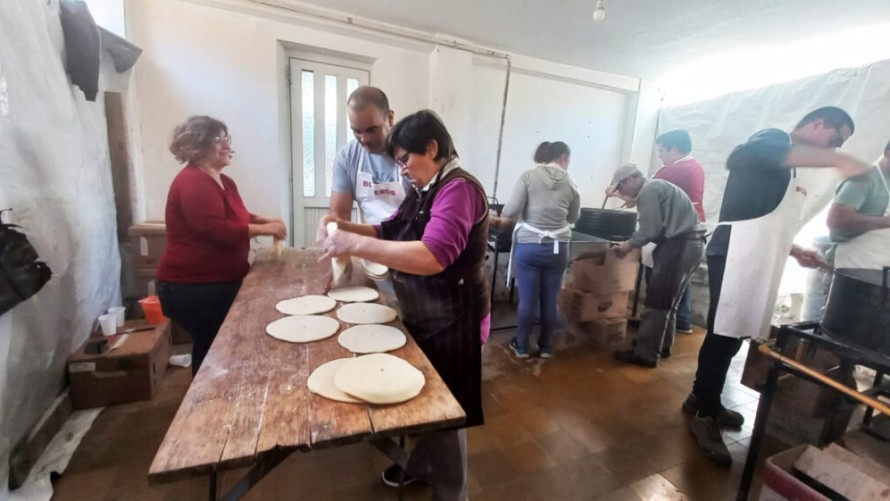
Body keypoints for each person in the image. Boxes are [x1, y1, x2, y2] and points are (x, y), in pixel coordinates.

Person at [685, 107, 868, 466]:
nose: (832, 150)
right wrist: (840, 161)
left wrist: (796, 250)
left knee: (735, 335)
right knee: (724, 334)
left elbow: (766, 218)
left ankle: (701, 398)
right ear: (817, 124)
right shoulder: (771, 140)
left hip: (756, 254)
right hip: (736, 250)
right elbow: (741, 156)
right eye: (834, 141)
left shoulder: (791, 167)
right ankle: (703, 414)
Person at [320, 110, 488, 500]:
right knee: (430, 399)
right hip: (428, 311)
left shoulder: (459, 190)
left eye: (405, 160)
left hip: (456, 318)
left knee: (448, 414)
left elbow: (433, 256)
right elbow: (389, 228)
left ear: (431, 148)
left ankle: (452, 494)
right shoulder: (426, 187)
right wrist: (343, 227)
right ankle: (424, 467)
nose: (402, 171)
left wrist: (354, 245)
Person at [157, 116, 286, 375]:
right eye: (219, 139)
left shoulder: (224, 181)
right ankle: (205, 403)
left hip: (216, 282)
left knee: (216, 344)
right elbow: (214, 229)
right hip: (193, 287)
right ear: (198, 145)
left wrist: (264, 220)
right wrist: (264, 229)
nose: (227, 145)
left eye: (227, 139)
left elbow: (238, 216)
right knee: (212, 346)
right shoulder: (193, 182)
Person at [607, 164, 704, 368]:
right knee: (670, 301)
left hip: (679, 246)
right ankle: (661, 345)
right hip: (692, 245)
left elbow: (650, 230)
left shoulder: (649, 190)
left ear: (631, 179)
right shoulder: (658, 186)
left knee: (657, 301)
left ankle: (646, 354)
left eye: (621, 187)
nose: (622, 192)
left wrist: (627, 245)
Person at [499, 141, 580, 359]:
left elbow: (510, 210)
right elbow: (573, 218)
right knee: (550, 299)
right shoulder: (571, 183)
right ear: (563, 157)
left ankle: (522, 346)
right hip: (558, 248)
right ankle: (545, 346)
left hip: (530, 246)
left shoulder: (528, 177)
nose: (568, 163)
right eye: (568, 159)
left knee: (527, 299)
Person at [645, 129, 706, 333]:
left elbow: (646, 188)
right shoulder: (695, 166)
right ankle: (681, 320)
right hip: (692, 230)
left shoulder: (676, 170)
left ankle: (655, 327)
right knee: (680, 279)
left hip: (679, 233)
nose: (660, 156)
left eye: (662, 150)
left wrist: (617, 191)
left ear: (675, 149)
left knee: (663, 282)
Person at [328, 86, 409, 224]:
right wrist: (329, 228)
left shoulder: (412, 153)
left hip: (407, 243)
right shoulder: (347, 157)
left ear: (390, 118)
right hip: (368, 242)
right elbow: (339, 217)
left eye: (372, 130)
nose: (364, 139)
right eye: (357, 131)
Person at [827, 137, 890, 269]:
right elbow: (836, 219)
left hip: (882, 270)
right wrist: (886, 222)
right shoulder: (864, 178)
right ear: (888, 153)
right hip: (852, 267)